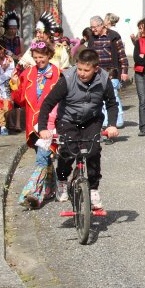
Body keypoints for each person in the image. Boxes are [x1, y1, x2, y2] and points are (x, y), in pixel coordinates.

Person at [37, 49, 119, 210]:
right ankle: (62, 181)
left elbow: (111, 104)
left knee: (93, 151)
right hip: (68, 120)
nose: (81, 73)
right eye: (79, 69)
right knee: (68, 150)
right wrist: (43, 128)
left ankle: (94, 189)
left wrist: (112, 125)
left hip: (92, 120)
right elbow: (47, 104)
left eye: (86, 70)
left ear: (95, 69)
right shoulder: (67, 79)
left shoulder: (103, 79)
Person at [12, 40, 62, 208]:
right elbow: (20, 100)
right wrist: (14, 85)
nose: (39, 60)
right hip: (32, 123)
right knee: (44, 157)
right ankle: (54, 189)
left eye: (42, 57)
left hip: (50, 122)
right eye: (35, 57)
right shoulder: (27, 74)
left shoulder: (59, 74)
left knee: (42, 157)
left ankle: (32, 194)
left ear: (49, 55)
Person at [88, 15, 128, 129]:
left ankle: (118, 120)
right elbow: (89, 55)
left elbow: (122, 55)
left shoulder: (113, 36)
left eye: (95, 27)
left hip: (112, 72)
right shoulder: (92, 38)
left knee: (113, 96)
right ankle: (105, 121)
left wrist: (124, 71)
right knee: (100, 97)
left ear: (102, 25)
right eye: (91, 27)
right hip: (97, 73)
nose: (93, 30)